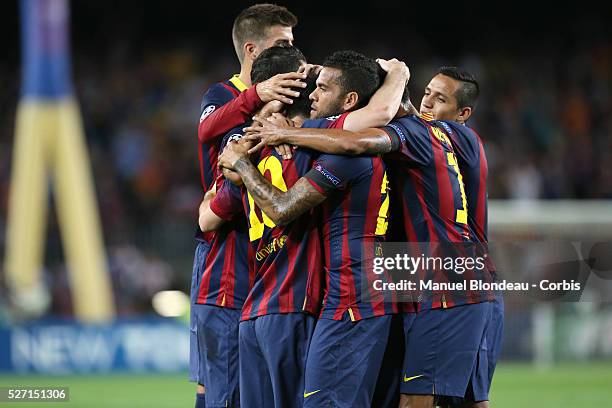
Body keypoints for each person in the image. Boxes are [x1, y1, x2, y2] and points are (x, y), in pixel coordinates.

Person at [245, 84, 493, 408]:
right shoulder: (451, 136)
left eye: (440, 97)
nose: (428, 100)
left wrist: (279, 137)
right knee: (466, 402)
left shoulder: (399, 135)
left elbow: (353, 141)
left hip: (439, 282)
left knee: (414, 402)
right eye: (427, 92)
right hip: (437, 278)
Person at [216, 51, 408, 408]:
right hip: (312, 302)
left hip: (331, 300)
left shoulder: (330, 146)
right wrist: (398, 77)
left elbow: (211, 215)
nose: (315, 95)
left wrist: (240, 158)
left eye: (322, 88)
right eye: (312, 88)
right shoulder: (312, 142)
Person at [189, 4, 304, 408]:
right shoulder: (224, 96)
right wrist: (258, 97)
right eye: (283, 43)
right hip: (228, 254)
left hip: (277, 258)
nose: (291, 51)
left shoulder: (298, 100)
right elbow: (207, 130)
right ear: (254, 50)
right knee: (218, 384)